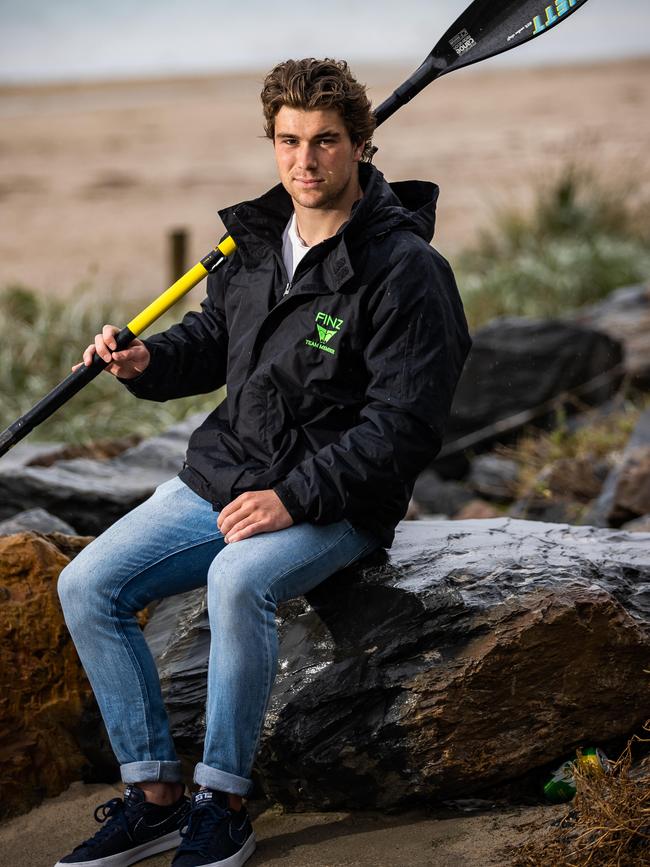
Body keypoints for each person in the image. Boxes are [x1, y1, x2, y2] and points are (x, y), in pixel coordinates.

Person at [55, 57, 471, 867]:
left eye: (324, 142)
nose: (304, 162)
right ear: (271, 140)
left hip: (339, 499)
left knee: (238, 576)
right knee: (86, 584)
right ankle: (155, 798)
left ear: (361, 145)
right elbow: (219, 342)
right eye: (288, 141)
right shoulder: (253, 243)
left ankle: (224, 800)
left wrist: (294, 497)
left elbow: (406, 428)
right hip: (225, 471)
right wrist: (147, 362)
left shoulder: (407, 272)